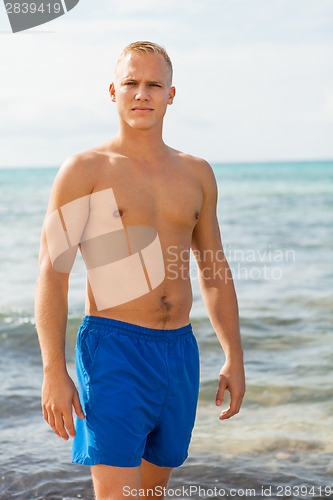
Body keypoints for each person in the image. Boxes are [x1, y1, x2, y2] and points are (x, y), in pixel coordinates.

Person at [35, 41, 245, 500]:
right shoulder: (85, 170)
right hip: (114, 350)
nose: (142, 94)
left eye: (154, 84)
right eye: (131, 83)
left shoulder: (196, 173)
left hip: (179, 353)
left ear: (172, 94)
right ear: (113, 91)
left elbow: (213, 269)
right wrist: (54, 369)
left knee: (152, 496)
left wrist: (234, 354)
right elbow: (53, 273)